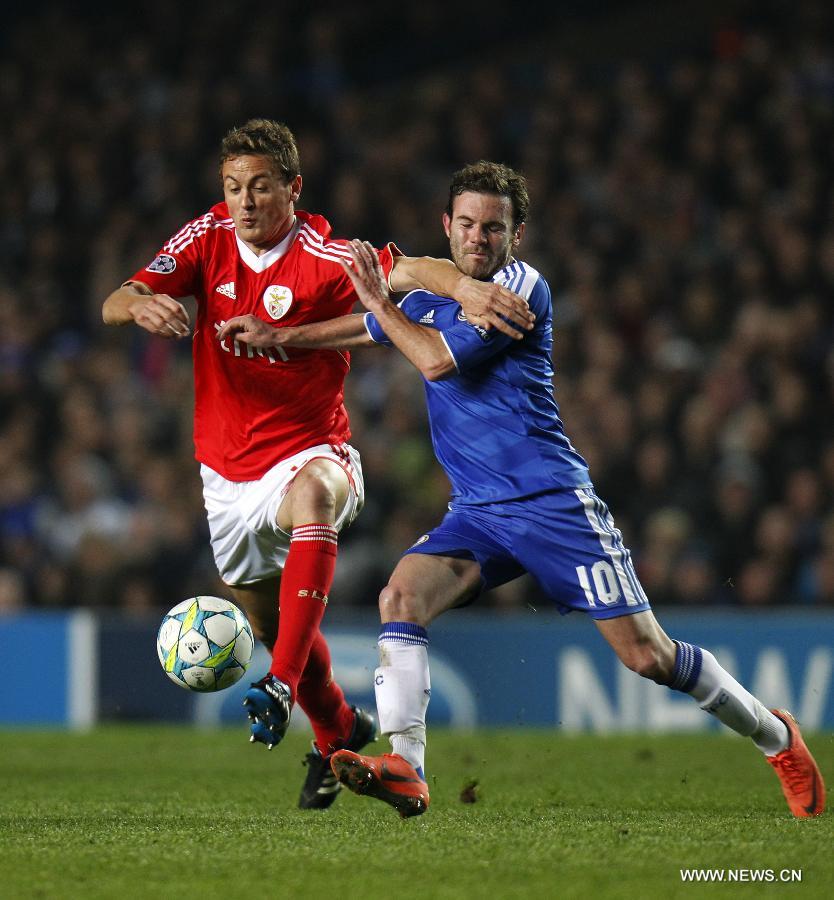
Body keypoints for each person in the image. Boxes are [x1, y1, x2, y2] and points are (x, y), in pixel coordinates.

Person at [217, 161, 825, 821]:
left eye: (494, 228)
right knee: (403, 594)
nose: (479, 239)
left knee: (648, 656)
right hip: (478, 512)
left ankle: (778, 738)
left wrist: (377, 301)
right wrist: (283, 336)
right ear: (447, 227)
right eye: (469, 225)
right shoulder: (432, 292)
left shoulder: (517, 291)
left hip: (550, 503)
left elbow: (432, 359)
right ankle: (408, 767)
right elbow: (368, 330)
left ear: (517, 235)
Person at [101, 121, 534, 811]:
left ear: (292, 189)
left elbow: (415, 268)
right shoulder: (205, 239)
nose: (245, 202)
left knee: (318, 497)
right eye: (234, 187)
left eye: (262, 187)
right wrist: (143, 305)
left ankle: (276, 682)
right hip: (226, 477)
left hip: (311, 450)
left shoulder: (321, 250)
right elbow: (114, 298)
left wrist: (468, 291)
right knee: (276, 626)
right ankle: (339, 731)